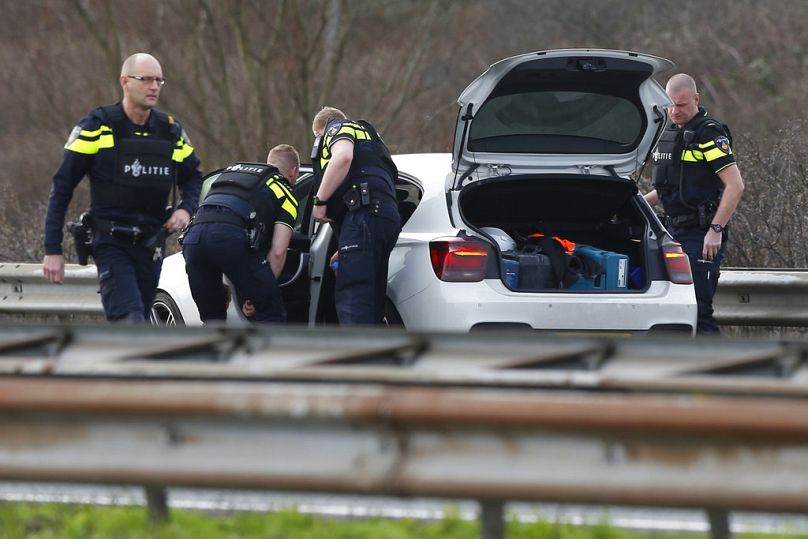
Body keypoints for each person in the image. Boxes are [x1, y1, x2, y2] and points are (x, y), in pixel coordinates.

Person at [43, 52, 202, 322]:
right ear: (125, 81)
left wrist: (186, 209)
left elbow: (193, 177)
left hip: (151, 246)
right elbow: (62, 186)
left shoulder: (170, 131)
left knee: (140, 320)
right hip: (112, 242)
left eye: (159, 81)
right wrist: (52, 249)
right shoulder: (98, 126)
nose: (154, 86)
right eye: (146, 79)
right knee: (131, 319)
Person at [645, 73, 744, 334]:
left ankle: (714, 371)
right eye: (671, 105)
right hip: (671, 232)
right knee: (672, 313)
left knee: (698, 311)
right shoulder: (670, 133)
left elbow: (735, 186)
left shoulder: (709, 133)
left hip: (701, 235)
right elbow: (665, 189)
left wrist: (716, 230)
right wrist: (637, 205)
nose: (675, 112)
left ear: (696, 99)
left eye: (681, 105)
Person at [181, 144, 300, 324]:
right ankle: (273, 352)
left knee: (213, 319)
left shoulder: (232, 176)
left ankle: (214, 351)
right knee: (271, 312)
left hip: (193, 241)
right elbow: (277, 252)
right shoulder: (285, 191)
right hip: (229, 239)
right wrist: (255, 293)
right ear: (293, 171)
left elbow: (211, 227)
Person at [310, 107, 401, 325]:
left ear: (321, 131)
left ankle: (356, 357)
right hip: (386, 216)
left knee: (354, 301)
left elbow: (342, 157)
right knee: (372, 301)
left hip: (363, 213)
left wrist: (319, 202)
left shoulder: (336, 127)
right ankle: (374, 356)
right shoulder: (373, 143)